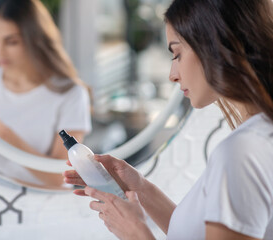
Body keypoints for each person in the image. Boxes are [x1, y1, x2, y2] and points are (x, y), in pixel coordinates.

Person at [63, 0, 273, 239]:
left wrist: (137, 233)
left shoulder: (241, 152)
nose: (173, 75)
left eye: (177, 54)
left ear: (215, 45)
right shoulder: (258, 137)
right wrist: (140, 187)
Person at [0, 0, 91, 186]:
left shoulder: (71, 94)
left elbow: (60, 178)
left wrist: (5, 135)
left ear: (35, 40)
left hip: (43, 206)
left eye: (12, 41)